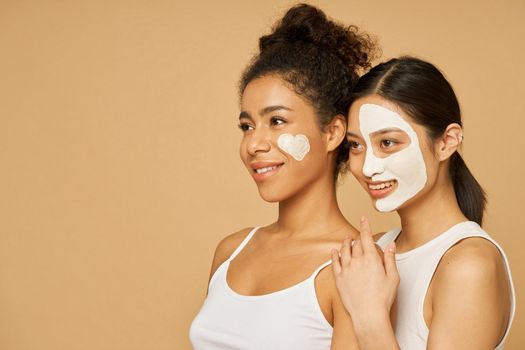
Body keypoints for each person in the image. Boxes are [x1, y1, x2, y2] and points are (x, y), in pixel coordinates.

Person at [189, 4, 376, 349]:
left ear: (334, 132)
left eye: (276, 121)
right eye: (247, 126)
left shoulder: (353, 266)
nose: (254, 144)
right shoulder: (232, 250)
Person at [332, 56, 516, 349]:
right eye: (356, 145)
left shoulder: (469, 266)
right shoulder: (370, 257)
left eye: (388, 143)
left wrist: (369, 317)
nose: (367, 168)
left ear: (447, 142)